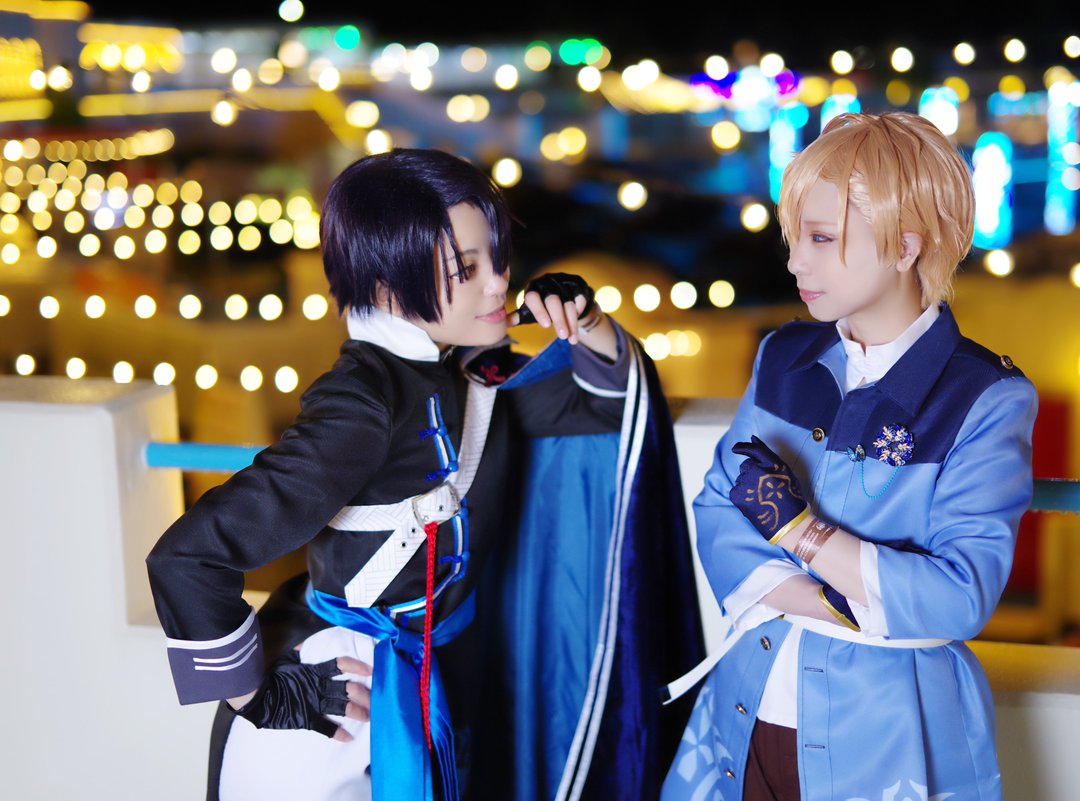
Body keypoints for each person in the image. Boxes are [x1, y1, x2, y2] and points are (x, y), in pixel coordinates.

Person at [146, 148, 702, 801]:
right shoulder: (361, 402)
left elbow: (604, 407)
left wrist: (586, 320)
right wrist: (263, 697)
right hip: (338, 703)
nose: (498, 283)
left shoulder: (469, 372)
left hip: (432, 681)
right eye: (466, 268)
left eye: (496, 257)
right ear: (387, 284)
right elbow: (187, 556)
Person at [662, 112, 1038, 801]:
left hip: (886, 731)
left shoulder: (985, 396)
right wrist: (836, 601)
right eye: (795, 237)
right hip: (744, 703)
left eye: (821, 238)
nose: (794, 262)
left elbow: (960, 595)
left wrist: (798, 532)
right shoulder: (784, 356)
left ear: (904, 246)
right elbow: (718, 504)